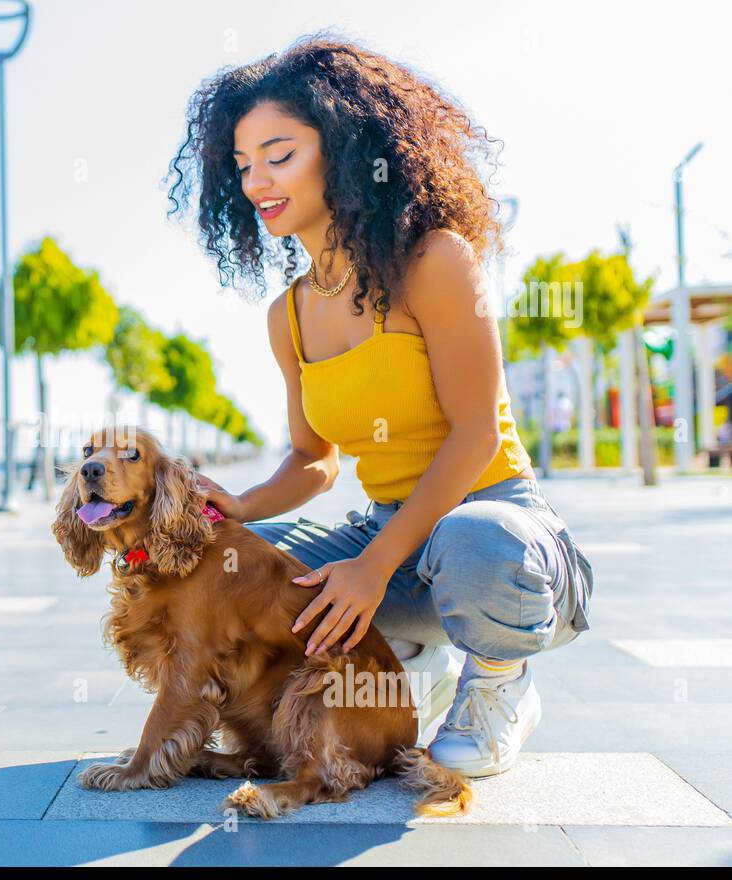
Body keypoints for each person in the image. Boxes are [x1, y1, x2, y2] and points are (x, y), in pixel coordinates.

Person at [171, 34, 594, 778]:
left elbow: (472, 435)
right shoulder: (289, 315)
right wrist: (239, 505)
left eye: (279, 154)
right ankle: (406, 660)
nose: (257, 181)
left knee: (473, 540)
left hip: (501, 531)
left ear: (341, 148)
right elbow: (315, 458)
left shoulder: (435, 260)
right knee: (237, 573)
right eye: (242, 166)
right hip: (391, 538)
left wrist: (372, 567)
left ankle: (499, 682)